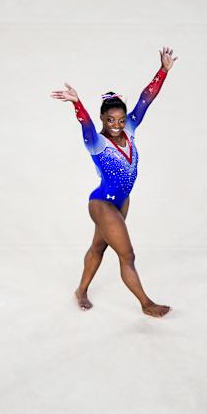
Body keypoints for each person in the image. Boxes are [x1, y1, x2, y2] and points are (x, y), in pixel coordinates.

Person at [50, 46, 178, 318]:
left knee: (99, 246)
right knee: (127, 254)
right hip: (102, 204)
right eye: (110, 120)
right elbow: (84, 124)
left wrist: (163, 71)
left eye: (120, 119)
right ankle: (146, 303)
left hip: (122, 201)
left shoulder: (130, 128)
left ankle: (81, 290)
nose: (117, 124)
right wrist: (77, 103)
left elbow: (146, 99)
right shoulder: (96, 143)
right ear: (103, 119)